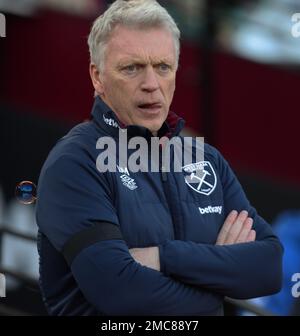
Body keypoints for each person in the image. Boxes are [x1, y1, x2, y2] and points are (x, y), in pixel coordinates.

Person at [36, 0, 283, 316]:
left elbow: (268, 267)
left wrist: (165, 257)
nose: (151, 85)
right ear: (97, 78)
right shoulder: (75, 162)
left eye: (163, 67)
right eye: (132, 68)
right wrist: (217, 283)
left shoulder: (205, 158)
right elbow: (119, 291)